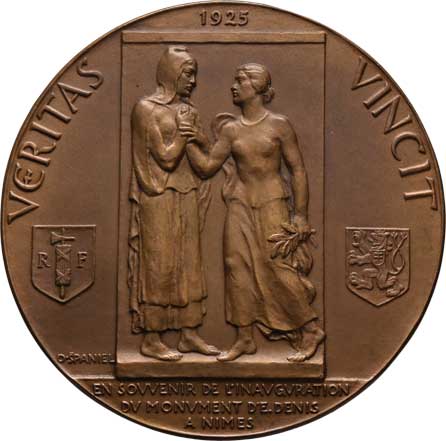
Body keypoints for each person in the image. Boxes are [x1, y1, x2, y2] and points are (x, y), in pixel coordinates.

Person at [181, 63, 325, 362]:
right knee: (236, 266)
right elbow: (207, 168)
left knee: (278, 268)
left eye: (240, 81)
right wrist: (189, 140)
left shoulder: (279, 125)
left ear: (257, 87)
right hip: (240, 204)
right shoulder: (231, 130)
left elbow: (298, 170)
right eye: (235, 80)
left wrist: (300, 214)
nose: (233, 86)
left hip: (272, 203)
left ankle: (311, 329)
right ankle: (245, 339)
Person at [128, 46, 219, 361]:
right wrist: (183, 133)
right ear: (171, 73)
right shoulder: (145, 109)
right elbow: (165, 159)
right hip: (157, 194)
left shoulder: (187, 110)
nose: (193, 81)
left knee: (189, 263)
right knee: (160, 265)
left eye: (194, 75)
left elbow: (202, 162)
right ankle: (151, 338)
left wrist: (200, 138)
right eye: (188, 74)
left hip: (186, 191)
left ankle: (189, 333)